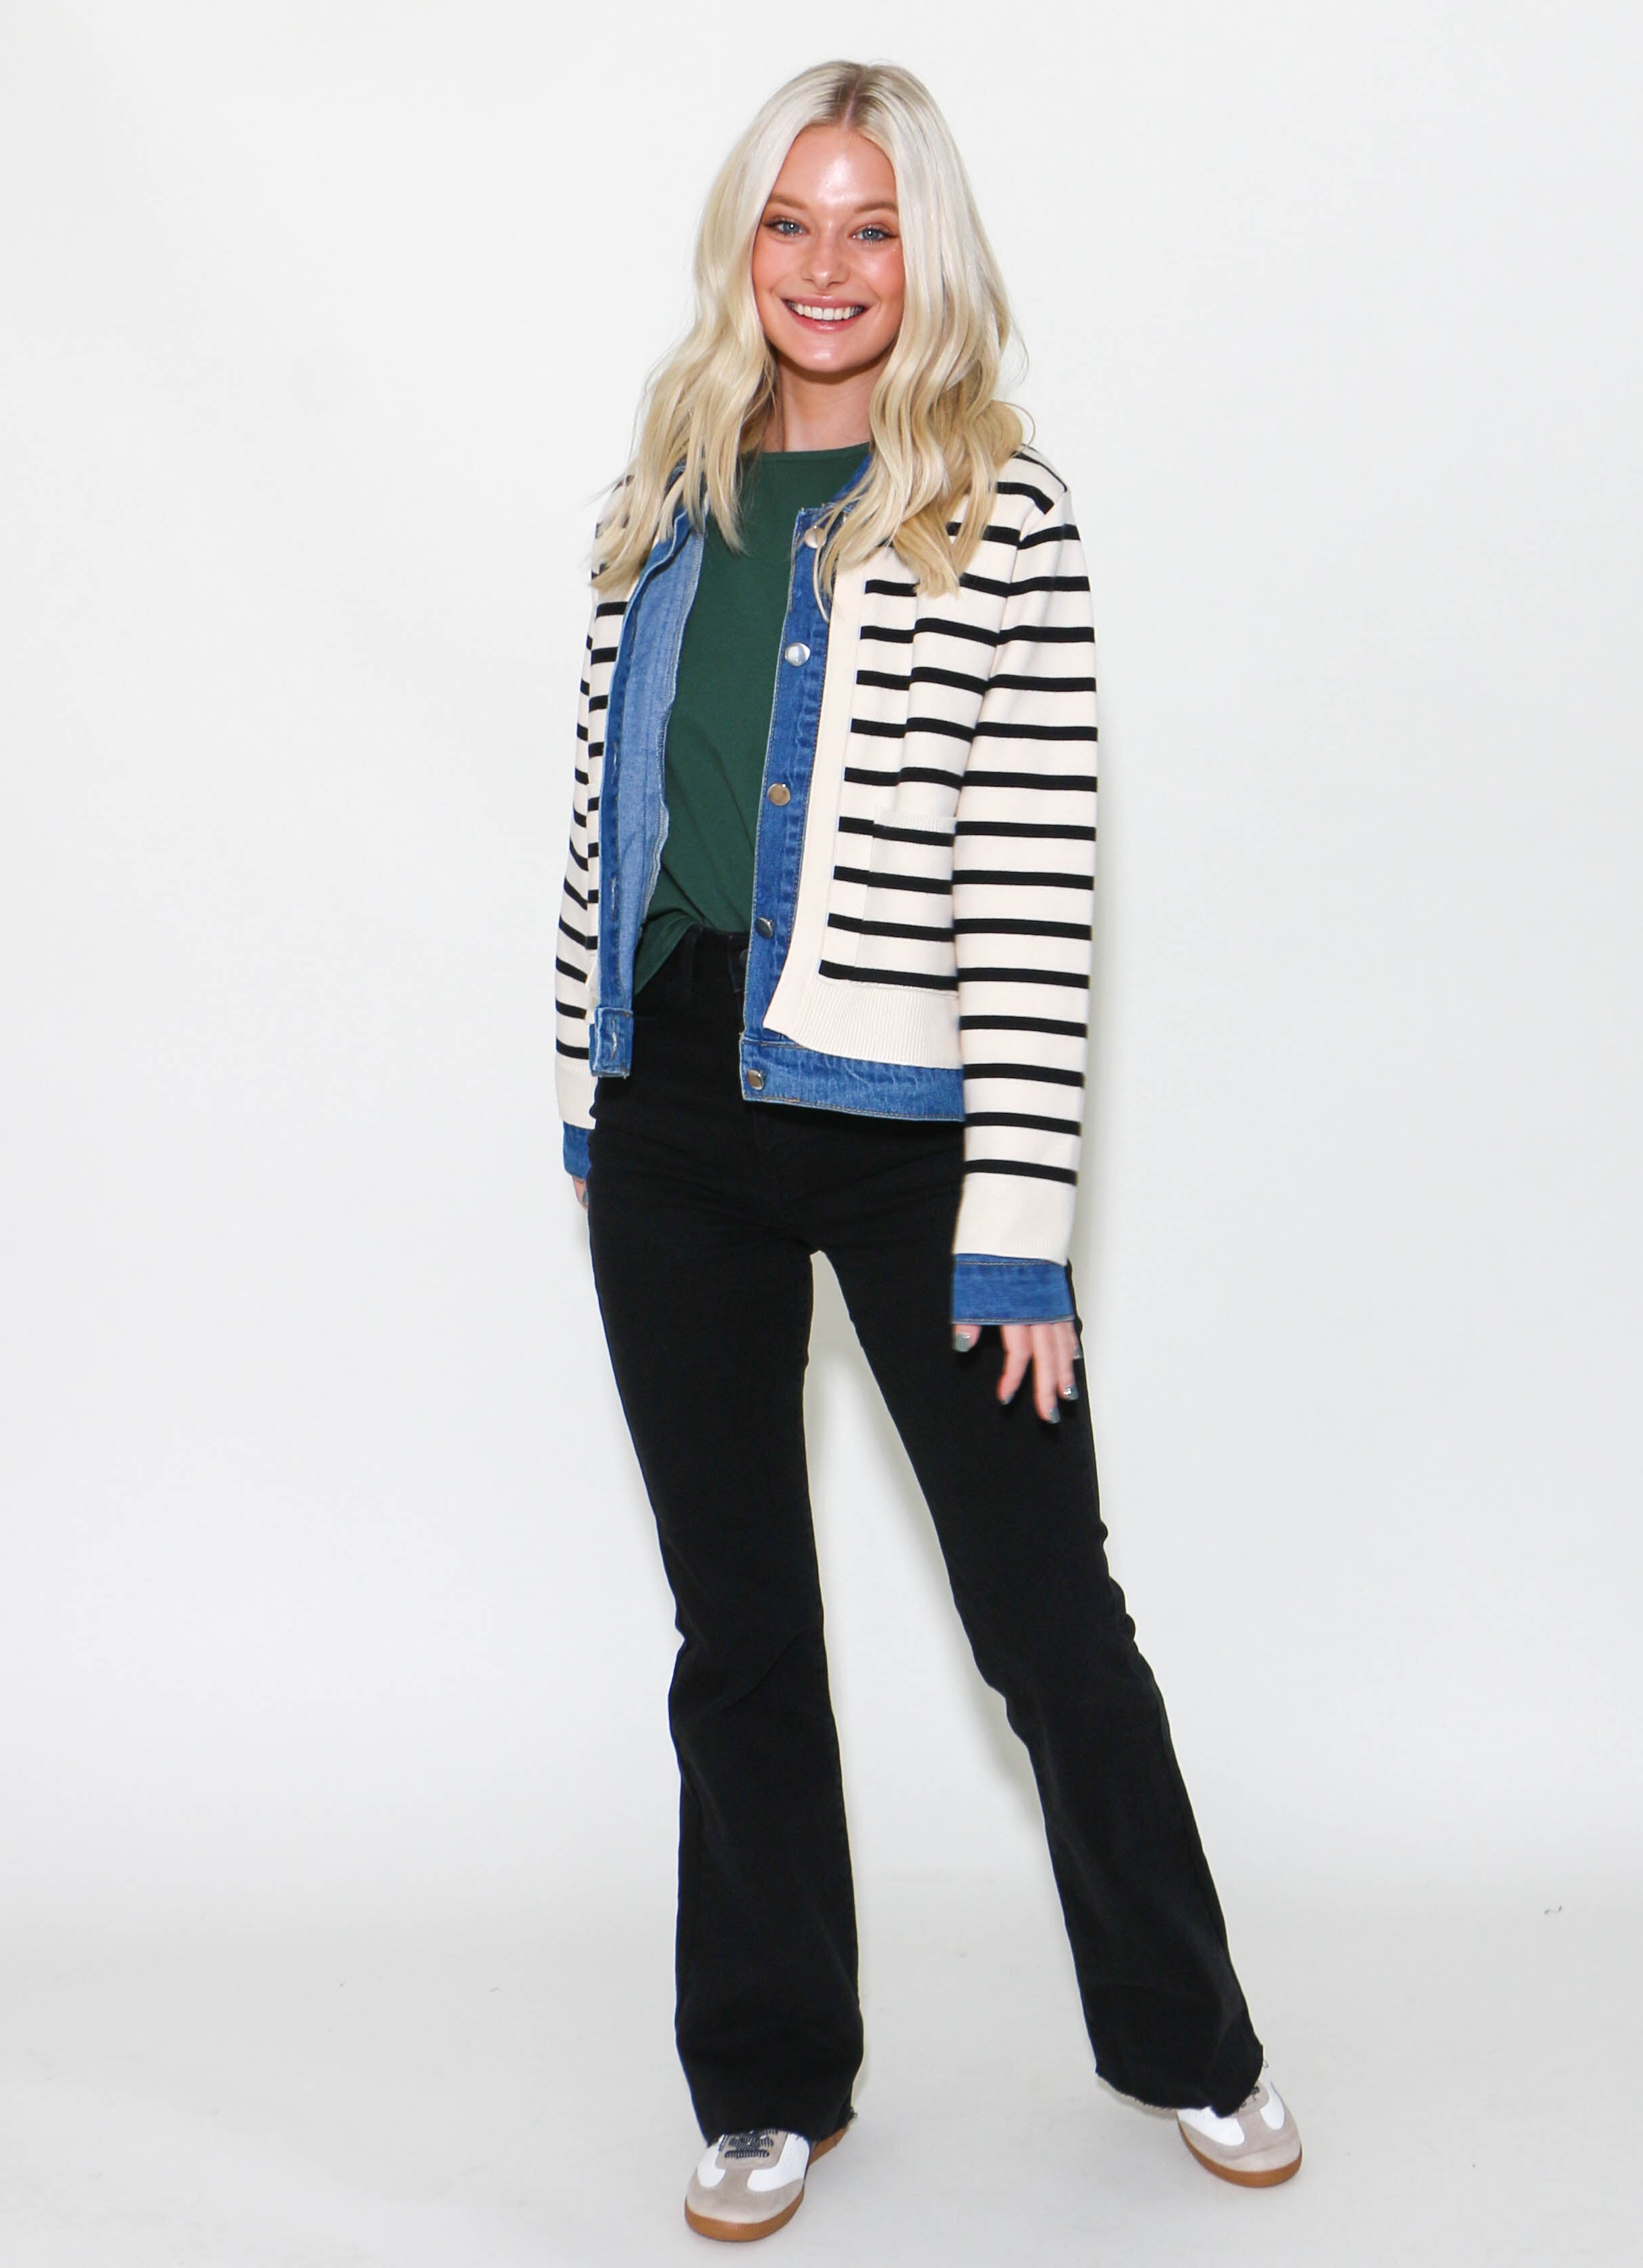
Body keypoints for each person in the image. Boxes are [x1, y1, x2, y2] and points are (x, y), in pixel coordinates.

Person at [553, 58, 1302, 2242]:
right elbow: (604, 808)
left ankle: (1194, 2041)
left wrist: (1018, 1232)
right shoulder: (660, 496)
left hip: (913, 1139)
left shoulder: (1003, 512)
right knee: (738, 1629)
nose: (826, 265)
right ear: (744, 245)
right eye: (791, 221)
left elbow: (1041, 885)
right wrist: (586, 1083)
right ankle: (769, 2081)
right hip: (672, 1122)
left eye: (871, 226)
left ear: (926, 255)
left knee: (1046, 1615)